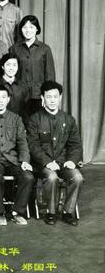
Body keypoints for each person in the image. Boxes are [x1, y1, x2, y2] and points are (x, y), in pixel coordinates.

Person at [26, 81, 84, 226]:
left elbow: (76, 144)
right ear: (42, 98)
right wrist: (47, 162)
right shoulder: (35, 119)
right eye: (49, 97)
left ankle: (68, 212)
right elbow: (33, 145)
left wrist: (72, 160)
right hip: (43, 164)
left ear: (60, 98)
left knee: (77, 178)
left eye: (55, 97)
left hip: (63, 162)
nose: (52, 100)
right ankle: (51, 212)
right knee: (52, 178)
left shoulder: (69, 120)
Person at [0, 83, 34, 226]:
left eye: (3, 97)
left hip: (13, 159)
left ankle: (17, 212)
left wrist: (25, 161)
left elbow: (22, 141)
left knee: (28, 177)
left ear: (8, 99)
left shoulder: (16, 118)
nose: (0, 100)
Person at [9, 15, 56, 113]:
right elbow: (10, 72)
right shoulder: (14, 48)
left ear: (36, 29)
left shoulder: (45, 49)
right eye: (25, 27)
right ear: (21, 30)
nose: (28, 30)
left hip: (38, 95)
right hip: (18, 95)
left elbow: (50, 75)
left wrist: (47, 96)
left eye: (31, 27)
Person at [0, 53, 28, 117]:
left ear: (18, 67)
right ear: (2, 67)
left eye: (14, 65)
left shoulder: (23, 86)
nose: (11, 68)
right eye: (8, 65)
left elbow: (26, 109)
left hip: (20, 121)